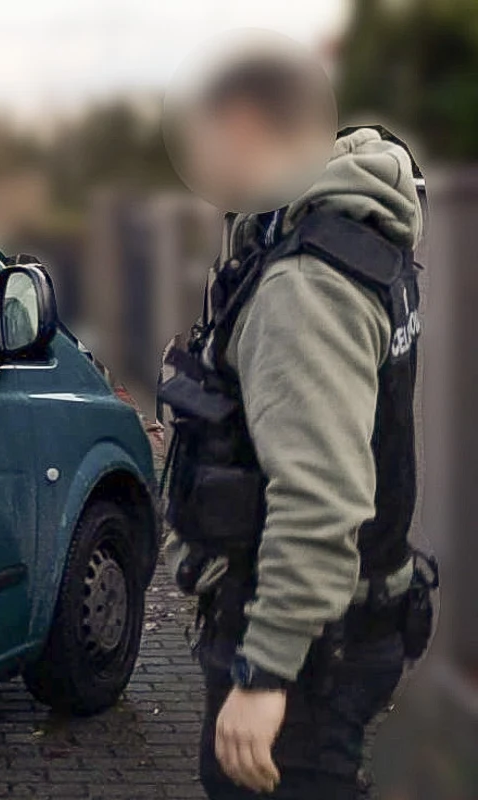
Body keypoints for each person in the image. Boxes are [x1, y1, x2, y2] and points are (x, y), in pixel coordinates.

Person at [159, 50, 433, 799]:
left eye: (204, 134)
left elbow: (321, 497)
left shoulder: (304, 281)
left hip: (310, 649)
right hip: (348, 624)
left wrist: (264, 675)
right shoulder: (351, 231)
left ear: (243, 127)